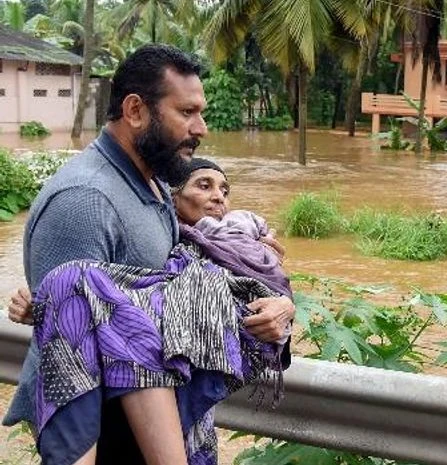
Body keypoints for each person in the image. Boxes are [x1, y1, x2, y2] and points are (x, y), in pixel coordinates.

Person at [3, 44, 295, 465]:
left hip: (157, 420)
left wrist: (277, 300)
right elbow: (66, 350)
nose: (202, 128)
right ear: (136, 110)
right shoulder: (85, 201)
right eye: (187, 112)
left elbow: (184, 288)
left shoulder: (154, 187)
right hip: (113, 433)